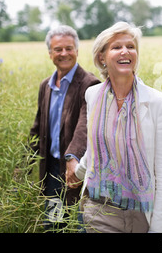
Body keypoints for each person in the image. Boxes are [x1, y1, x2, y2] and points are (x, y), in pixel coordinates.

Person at [72, 21, 162, 233]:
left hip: (137, 215)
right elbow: (96, 147)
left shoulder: (157, 102)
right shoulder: (93, 95)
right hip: (98, 208)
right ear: (102, 56)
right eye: (117, 47)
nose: (125, 51)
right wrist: (78, 171)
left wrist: (159, 230)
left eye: (131, 46)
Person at [29, 25, 100, 230]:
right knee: (53, 225)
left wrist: (72, 157)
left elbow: (84, 125)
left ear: (77, 51)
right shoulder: (46, 85)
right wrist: (26, 162)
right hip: (52, 171)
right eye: (58, 49)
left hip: (78, 171)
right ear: (50, 53)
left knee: (79, 225)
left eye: (69, 48)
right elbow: (38, 127)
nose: (64, 53)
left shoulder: (90, 83)